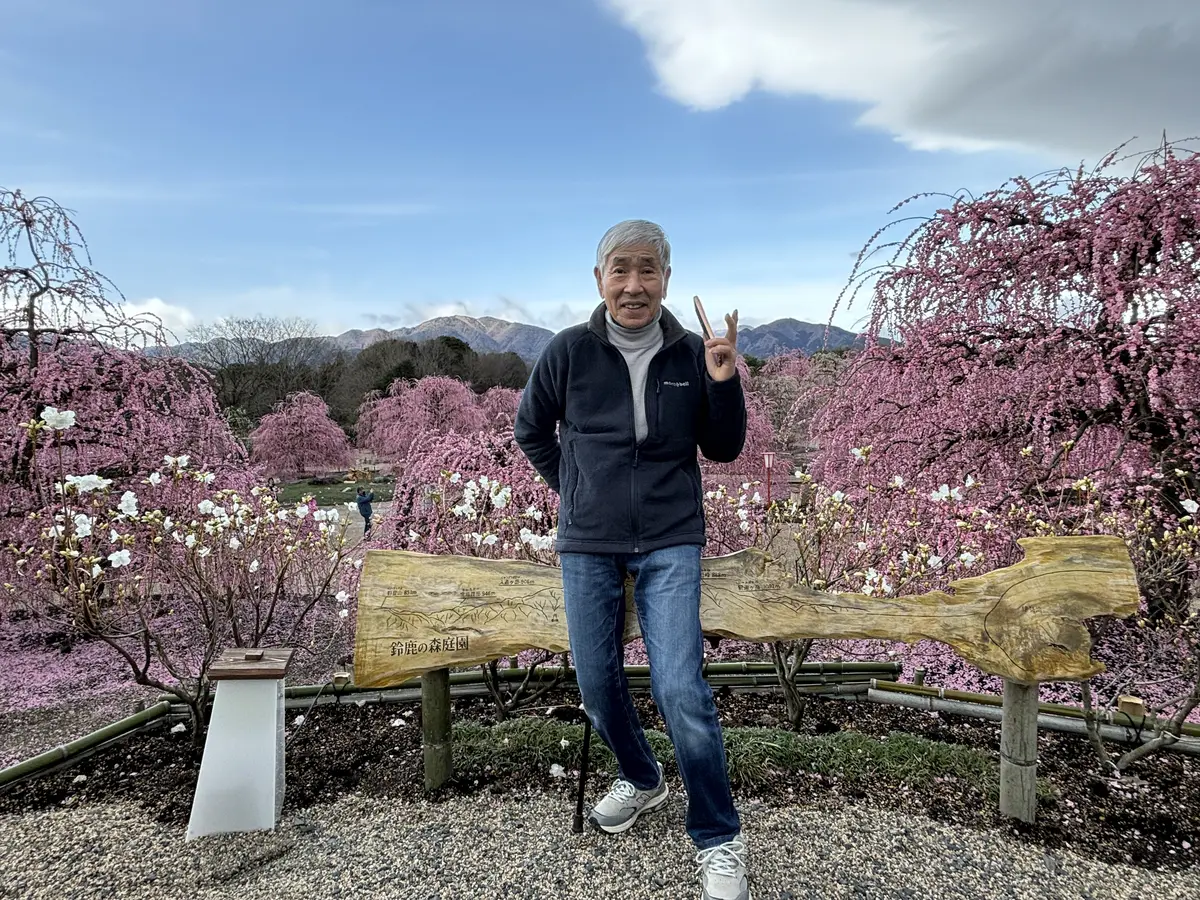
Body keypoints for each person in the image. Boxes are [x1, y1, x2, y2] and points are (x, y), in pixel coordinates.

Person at [514, 220, 749, 900]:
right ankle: (644, 777)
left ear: (666, 279)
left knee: (680, 689)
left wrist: (723, 381)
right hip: (589, 541)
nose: (634, 284)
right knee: (595, 686)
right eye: (621, 269)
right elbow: (531, 429)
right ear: (600, 279)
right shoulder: (569, 351)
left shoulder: (690, 352)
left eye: (648, 270)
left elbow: (724, 448)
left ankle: (718, 836)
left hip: (672, 537)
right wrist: (577, 492)